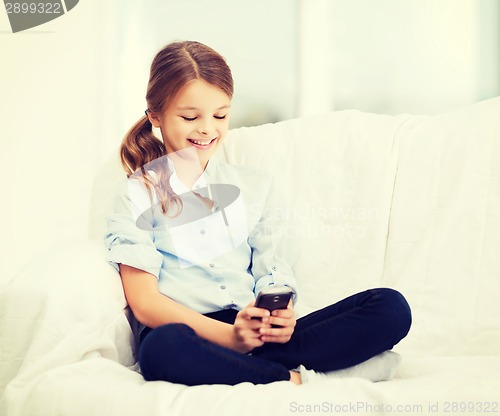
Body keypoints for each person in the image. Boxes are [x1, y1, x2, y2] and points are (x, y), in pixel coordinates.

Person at [104, 40, 411, 386]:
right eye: (190, 117)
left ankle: (250, 367)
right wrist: (228, 337)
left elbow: (273, 268)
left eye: (220, 115)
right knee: (161, 349)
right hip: (192, 334)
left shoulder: (254, 186)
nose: (207, 129)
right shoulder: (135, 194)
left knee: (390, 307)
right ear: (156, 115)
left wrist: (279, 313)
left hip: (255, 332)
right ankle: (292, 378)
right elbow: (145, 302)